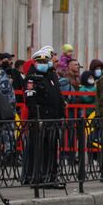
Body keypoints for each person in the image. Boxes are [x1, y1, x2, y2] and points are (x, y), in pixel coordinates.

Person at [21, 46, 65, 187]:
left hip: (53, 120)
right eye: (40, 62)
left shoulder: (50, 76)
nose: (44, 65)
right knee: (40, 150)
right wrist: (36, 118)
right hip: (41, 120)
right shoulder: (32, 78)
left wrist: (61, 115)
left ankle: (51, 177)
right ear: (35, 63)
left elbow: (58, 97)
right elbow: (31, 101)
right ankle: (38, 177)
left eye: (46, 61)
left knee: (51, 149)